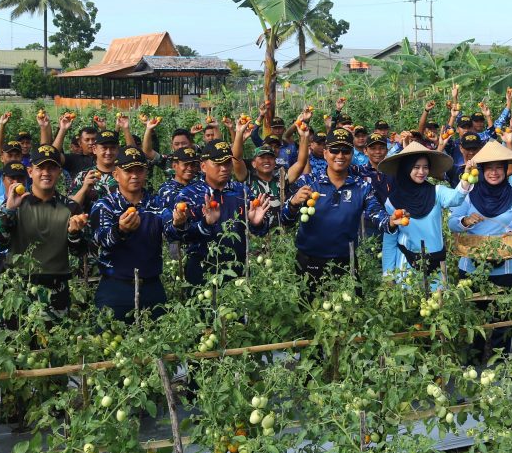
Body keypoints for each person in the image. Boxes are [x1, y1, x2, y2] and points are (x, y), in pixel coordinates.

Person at [280, 128, 390, 289]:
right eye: (334, 150)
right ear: (325, 153)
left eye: (345, 151)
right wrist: (293, 203)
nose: (340, 155)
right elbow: (285, 220)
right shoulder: (308, 182)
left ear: (351, 155)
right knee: (308, 310)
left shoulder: (362, 187)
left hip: (346, 262)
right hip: (309, 261)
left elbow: (377, 215)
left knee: (350, 311)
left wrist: (391, 222)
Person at [0, 144, 89, 312]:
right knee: (17, 337)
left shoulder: (70, 208)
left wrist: (74, 233)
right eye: (40, 168)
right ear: (30, 172)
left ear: (59, 172)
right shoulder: (14, 204)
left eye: (52, 168)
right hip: (18, 288)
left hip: (56, 289)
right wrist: (9, 211)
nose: (46, 173)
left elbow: (79, 252)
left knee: (55, 336)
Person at [91, 147, 187, 321]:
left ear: (146, 173)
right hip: (116, 287)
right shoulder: (105, 206)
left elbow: (171, 232)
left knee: (159, 341)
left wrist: (178, 223)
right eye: (128, 171)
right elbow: (100, 239)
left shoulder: (156, 203)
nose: (134, 175)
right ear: (116, 175)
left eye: (139, 170)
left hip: (151, 286)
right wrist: (120, 231)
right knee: (108, 340)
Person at [175, 140, 270, 286]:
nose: (224, 168)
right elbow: (182, 236)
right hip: (203, 268)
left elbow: (260, 231)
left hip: (238, 267)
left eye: (227, 163)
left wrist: (257, 224)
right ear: (203, 166)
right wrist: (205, 224)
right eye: (218, 164)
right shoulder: (189, 195)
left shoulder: (241, 191)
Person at [448, 141, 512, 286]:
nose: (494, 173)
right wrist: (465, 221)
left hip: (507, 270)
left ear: (506, 169)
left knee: (506, 307)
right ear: (482, 170)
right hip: (471, 268)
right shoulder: (469, 194)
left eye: (499, 168)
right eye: (489, 168)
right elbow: (452, 223)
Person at [378, 141, 470, 277]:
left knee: (439, 297)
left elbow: (456, 198)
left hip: (437, 262)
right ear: (406, 168)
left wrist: (467, 177)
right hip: (407, 265)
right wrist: (388, 275)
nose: (421, 172)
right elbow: (390, 240)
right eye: (416, 167)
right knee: (411, 298)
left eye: (425, 167)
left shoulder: (436, 192)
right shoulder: (393, 201)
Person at [72, 129, 122, 210]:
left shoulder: (125, 174)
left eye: (112, 148)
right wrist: (84, 188)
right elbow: (70, 209)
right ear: (94, 149)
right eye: (104, 148)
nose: (108, 152)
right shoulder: (84, 175)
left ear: (118, 149)